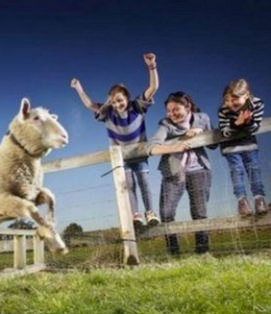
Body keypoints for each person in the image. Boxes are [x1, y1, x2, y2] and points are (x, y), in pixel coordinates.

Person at [71, 53, 160, 228]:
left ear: (127, 98)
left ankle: (150, 212)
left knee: (144, 182)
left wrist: (152, 66)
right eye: (113, 101)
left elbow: (153, 87)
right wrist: (78, 88)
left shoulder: (137, 107)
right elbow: (90, 105)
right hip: (121, 157)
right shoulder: (108, 114)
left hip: (139, 153)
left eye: (120, 100)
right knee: (128, 185)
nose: (117, 104)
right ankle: (136, 215)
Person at [146, 91, 213, 255]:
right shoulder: (166, 125)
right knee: (166, 212)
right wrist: (175, 146)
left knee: (199, 212)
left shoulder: (202, 118)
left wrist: (200, 132)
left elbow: (213, 144)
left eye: (176, 109)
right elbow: (151, 147)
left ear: (188, 106)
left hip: (199, 169)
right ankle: (173, 251)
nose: (172, 114)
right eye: (168, 111)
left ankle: (202, 251)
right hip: (174, 171)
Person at [217, 78, 267, 216]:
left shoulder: (257, 103)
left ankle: (259, 199)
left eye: (235, 99)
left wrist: (248, 121)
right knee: (237, 171)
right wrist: (236, 124)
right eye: (227, 100)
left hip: (249, 144)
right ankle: (242, 202)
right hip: (231, 148)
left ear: (247, 95)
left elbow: (255, 126)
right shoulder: (223, 110)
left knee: (254, 170)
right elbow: (224, 131)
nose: (230, 104)